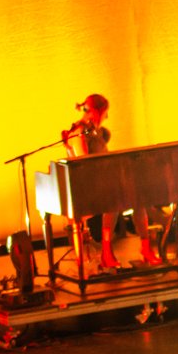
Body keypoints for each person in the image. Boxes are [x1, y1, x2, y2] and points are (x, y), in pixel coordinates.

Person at [60, 93, 126, 269]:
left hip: (96, 183)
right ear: (97, 112)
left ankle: (107, 249)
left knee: (125, 197)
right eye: (105, 112)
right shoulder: (80, 132)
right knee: (115, 201)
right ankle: (105, 251)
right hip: (84, 188)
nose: (107, 117)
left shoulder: (93, 132)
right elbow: (85, 163)